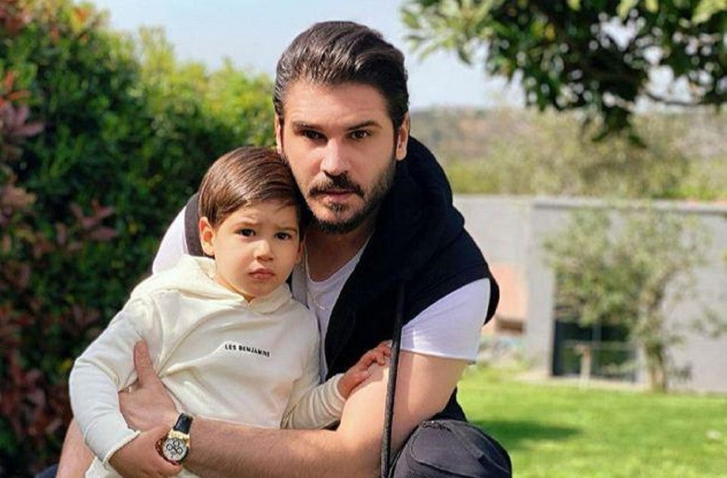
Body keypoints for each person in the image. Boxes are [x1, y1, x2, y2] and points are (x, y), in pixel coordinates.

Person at [54, 20, 511, 478]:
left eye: (359, 135)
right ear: (279, 133)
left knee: (449, 463)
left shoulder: (448, 272)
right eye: (311, 134)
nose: (334, 164)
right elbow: (120, 373)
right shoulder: (216, 222)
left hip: (344, 467)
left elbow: (354, 456)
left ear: (401, 136)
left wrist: (179, 432)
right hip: (171, 463)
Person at [67, 146, 390, 477]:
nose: (264, 250)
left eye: (282, 235)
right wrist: (117, 446)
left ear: (298, 249)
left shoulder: (300, 325)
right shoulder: (168, 299)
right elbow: (93, 370)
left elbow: (291, 419)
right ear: (208, 237)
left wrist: (340, 390)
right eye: (247, 232)